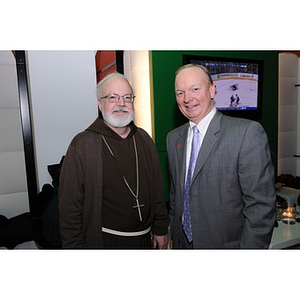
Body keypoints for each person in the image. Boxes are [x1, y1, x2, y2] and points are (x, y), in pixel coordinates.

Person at [166, 64, 276, 249]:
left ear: (211, 90)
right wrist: (173, 235)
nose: (187, 99)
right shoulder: (173, 138)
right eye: (180, 93)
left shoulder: (246, 133)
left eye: (195, 89)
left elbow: (261, 208)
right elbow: (176, 193)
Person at [59, 72, 169, 249]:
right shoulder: (82, 144)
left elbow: (157, 189)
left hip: (145, 240)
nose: (121, 104)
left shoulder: (144, 138)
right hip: (104, 242)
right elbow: (69, 208)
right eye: (112, 98)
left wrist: (161, 228)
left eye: (127, 97)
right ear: (100, 104)